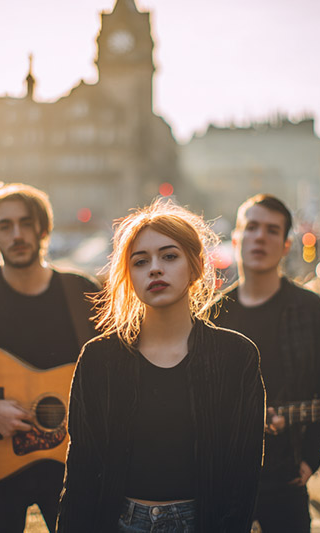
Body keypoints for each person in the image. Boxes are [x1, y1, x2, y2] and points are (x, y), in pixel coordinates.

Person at [57, 200, 265, 532]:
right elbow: (81, 471)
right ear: (129, 275)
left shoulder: (236, 356)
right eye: (140, 261)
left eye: (169, 256)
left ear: (196, 266)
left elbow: (243, 475)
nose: (155, 268)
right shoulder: (99, 359)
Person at [0, 182, 99, 533]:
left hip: (73, 467)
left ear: (44, 229)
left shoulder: (82, 294)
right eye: (5, 226)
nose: (17, 234)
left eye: (26, 223)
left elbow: (122, 364)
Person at [214, 194, 320, 533]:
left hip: (287, 478)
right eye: (251, 227)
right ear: (237, 238)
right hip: (224, 480)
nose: (260, 237)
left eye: (272, 230)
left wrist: (310, 457)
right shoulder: (213, 315)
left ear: (286, 246)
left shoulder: (309, 308)